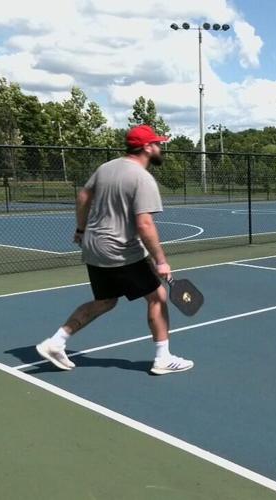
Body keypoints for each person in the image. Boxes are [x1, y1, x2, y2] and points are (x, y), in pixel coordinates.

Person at [35, 125, 194, 376]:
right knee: (158, 297)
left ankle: (56, 342)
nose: (161, 147)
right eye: (158, 143)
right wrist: (160, 260)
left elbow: (83, 197)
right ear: (146, 147)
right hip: (120, 249)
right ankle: (163, 358)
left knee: (106, 301)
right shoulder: (143, 178)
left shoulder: (106, 168)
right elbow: (144, 223)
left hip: (93, 246)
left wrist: (80, 229)